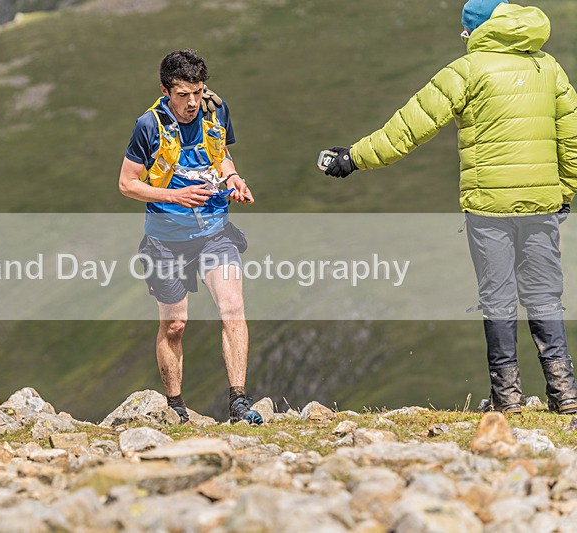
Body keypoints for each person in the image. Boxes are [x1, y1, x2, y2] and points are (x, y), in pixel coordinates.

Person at [323, 0, 577, 415]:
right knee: (545, 295)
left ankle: (507, 398)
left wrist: (353, 157)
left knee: (497, 299)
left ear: (476, 31)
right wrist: (563, 192)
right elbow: (572, 137)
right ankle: (564, 393)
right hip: (541, 205)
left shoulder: (467, 70)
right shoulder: (548, 67)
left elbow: (409, 126)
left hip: (488, 206)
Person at [118, 49, 263, 425]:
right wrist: (173, 196)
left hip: (216, 231)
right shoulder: (147, 126)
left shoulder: (216, 110)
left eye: (198, 92)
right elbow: (127, 184)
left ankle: (238, 402)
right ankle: (176, 407)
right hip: (166, 239)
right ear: (166, 90)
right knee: (175, 325)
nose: (192, 103)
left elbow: (222, 154)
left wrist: (233, 178)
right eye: (183, 95)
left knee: (233, 309)